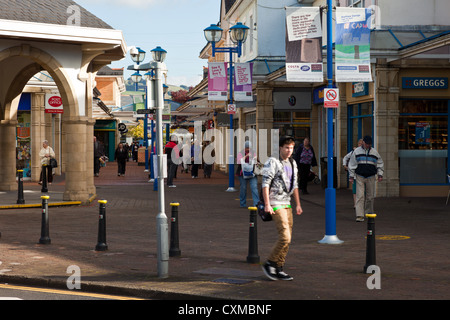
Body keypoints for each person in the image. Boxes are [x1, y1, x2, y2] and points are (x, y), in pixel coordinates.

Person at [261, 136, 303, 281]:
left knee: (288, 239)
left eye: (291, 148)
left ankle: (279, 267)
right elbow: (265, 183)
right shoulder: (272, 162)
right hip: (275, 203)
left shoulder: (293, 163)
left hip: (287, 203)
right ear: (280, 148)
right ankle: (270, 263)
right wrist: (267, 204)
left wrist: (298, 204)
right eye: (286, 147)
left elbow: (295, 185)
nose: (289, 150)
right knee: (284, 237)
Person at [348, 135, 384, 222]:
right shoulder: (356, 151)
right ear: (363, 142)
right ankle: (359, 215)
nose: (368, 145)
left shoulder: (374, 152)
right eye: (367, 143)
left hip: (371, 176)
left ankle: (369, 213)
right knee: (360, 196)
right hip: (360, 175)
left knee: (370, 196)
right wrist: (351, 176)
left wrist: (380, 174)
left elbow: (380, 163)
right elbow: (352, 164)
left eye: (369, 144)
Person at [236, 141, 259, 208]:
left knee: (254, 188)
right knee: (243, 188)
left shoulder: (253, 153)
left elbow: (257, 161)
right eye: (246, 148)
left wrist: (256, 158)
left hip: (252, 173)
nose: (248, 149)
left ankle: (256, 203)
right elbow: (239, 161)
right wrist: (246, 156)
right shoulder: (240, 153)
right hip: (242, 174)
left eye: (249, 148)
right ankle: (242, 203)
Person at [343, 139, 363, 208]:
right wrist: (345, 165)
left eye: (361, 143)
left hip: (362, 174)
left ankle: (361, 203)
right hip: (354, 174)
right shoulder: (353, 152)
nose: (360, 145)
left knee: (362, 190)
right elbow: (345, 157)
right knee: (355, 190)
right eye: (359, 143)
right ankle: (356, 204)